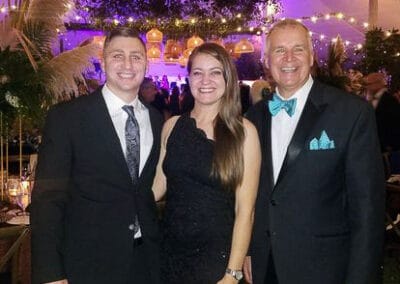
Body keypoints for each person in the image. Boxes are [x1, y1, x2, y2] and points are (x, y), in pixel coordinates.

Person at [245, 19, 385, 284]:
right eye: (278, 50)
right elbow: (255, 195)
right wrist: (250, 249)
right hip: (268, 266)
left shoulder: (352, 113)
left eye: (298, 49)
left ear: (311, 57)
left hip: (326, 269)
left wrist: (361, 277)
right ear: (266, 60)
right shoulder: (253, 118)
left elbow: (367, 210)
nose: (288, 58)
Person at [30, 27, 163, 284]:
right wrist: (50, 273)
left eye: (136, 56)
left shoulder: (155, 119)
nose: (127, 64)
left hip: (144, 261)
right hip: (87, 264)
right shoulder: (67, 117)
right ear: (103, 61)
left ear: (146, 64)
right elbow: (47, 200)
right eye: (117, 56)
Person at [152, 42, 261, 284]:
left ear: (228, 78)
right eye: (198, 73)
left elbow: (245, 211)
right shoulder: (172, 127)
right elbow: (158, 185)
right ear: (189, 79)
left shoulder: (244, 133)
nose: (205, 80)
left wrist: (232, 274)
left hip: (216, 259)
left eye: (215, 72)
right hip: (169, 253)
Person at [364, 72, 400, 152]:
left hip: (385, 147)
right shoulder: (371, 99)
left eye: (369, 84)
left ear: (378, 84)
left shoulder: (390, 101)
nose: (367, 87)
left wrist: (388, 145)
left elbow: (394, 123)